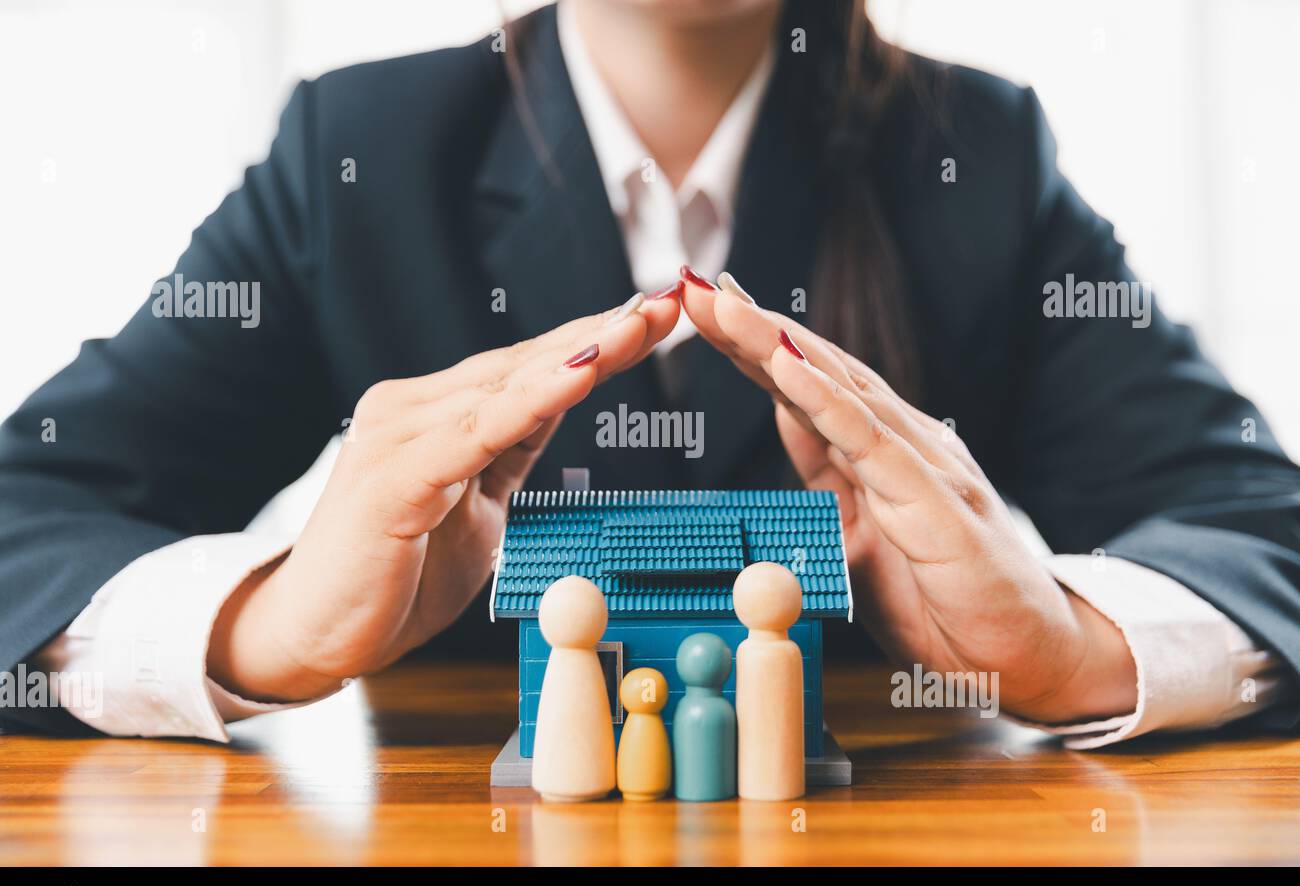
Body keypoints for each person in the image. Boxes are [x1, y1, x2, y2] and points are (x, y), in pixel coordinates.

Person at [1, 0, 1296, 748]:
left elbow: (1261, 529)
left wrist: (1075, 652)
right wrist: (262, 629)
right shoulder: (359, 154)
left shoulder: (976, 154)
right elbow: (24, 521)